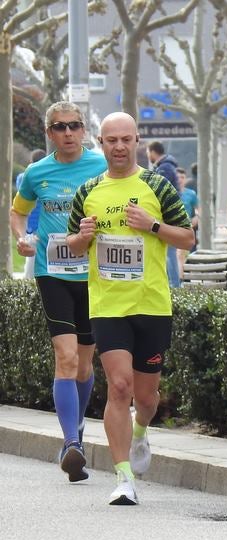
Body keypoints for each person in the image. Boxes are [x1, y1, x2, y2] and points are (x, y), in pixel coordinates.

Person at [66, 112, 194, 506]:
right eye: (111, 140)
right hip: (107, 306)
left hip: (152, 304)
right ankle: (123, 478)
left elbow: (188, 238)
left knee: (148, 398)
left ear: (137, 140)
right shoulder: (88, 190)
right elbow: (71, 245)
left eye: (126, 139)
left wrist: (152, 226)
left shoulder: (158, 185)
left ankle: (141, 432)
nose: (119, 147)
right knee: (118, 387)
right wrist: (82, 237)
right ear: (100, 144)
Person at [9, 103, 106, 482]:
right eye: (60, 127)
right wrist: (22, 238)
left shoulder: (101, 167)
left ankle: (77, 429)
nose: (68, 133)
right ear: (48, 133)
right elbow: (18, 212)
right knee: (65, 359)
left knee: (84, 365)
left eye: (75, 126)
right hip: (54, 273)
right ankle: (70, 444)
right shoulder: (36, 172)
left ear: (84, 129)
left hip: (95, 276)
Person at [146, 141, 181, 288]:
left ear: (153, 152)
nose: (148, 156)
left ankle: (174, 285)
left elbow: (159, 192)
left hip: (167, 216)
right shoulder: (167, 166)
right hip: (168, 215)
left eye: (148, 152)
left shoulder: (164, 168)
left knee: (170, 253)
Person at [15, 148, 47, 279]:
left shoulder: (23, 176)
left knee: (31, 266)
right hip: (39, 228)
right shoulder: (41, 178)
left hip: (32, 227)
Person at [176, 167, 200, 272]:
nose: (180, 179)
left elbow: (199, 210)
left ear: (185, 179)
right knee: (177, 256)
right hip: (172, 228)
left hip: (187, 228)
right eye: (178, 177)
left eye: (182, 177)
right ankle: (178, 281)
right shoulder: (169, 193)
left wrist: (196, 218)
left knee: (183, 255)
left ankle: (182, 281)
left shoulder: (191, 194)